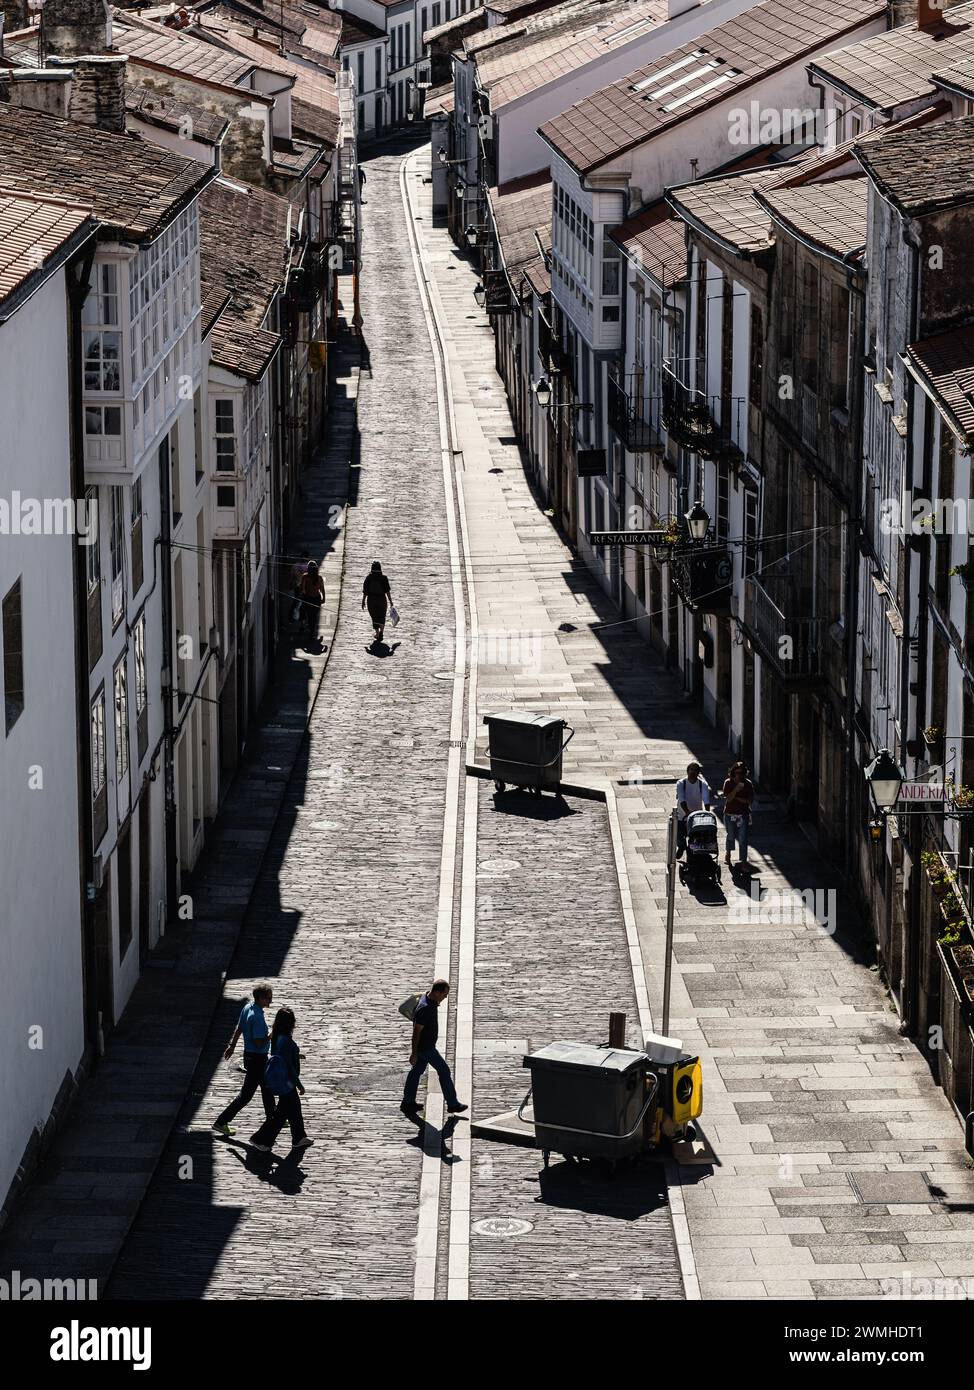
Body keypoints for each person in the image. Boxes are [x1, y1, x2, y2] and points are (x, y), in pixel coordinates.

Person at [212, 985, 275, 1137]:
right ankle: (221, 1122)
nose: (270, 1000)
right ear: (260, 998)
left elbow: (239, 1028)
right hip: (257, 1058)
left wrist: (232, 1046)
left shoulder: (248, 1007)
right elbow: (259, 1041)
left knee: (267, 1088)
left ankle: (274, 1117)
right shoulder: (257, 1017)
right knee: (246, 1095)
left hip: (250, 1056)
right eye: (268, 997)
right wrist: (273, 1034)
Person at [249, 1008, 313, 1153]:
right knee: (280, 1115)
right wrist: (299, 1084)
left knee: (294, 1110)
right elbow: (288, 1067)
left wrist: (297, 1055)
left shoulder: (278, 1036)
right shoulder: (284, 1040)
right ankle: (260, 1139)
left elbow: (282, 1056)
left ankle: (299, 1137)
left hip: (285, 1082)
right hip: (286, 1082)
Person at [401, 980, 467, 1117]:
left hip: (424, 1047)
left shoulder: (428, 1000)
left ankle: (408, 1102)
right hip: (426, 1048)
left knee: (416, 1072)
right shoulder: (425, 1008)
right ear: (437, 992)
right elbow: (416, 1031)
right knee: (443, 1070)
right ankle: (452, 1103)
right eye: (444, 994)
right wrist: (414, 1053)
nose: (445, 997)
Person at [675, 762, 711, 859]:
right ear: (687, 771)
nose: (693, 772)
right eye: (691, 769)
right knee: (679, 836)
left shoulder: (702, 784)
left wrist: (707, 814)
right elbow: (682, 799)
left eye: (695, 770)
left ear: (698, 773)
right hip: (682, 815)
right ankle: (682, 847)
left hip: (696, 817)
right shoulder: (681, 783)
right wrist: (687, 813)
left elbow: (706, 800)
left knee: (695, 839)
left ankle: (692, 855)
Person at [722, 760, 755, 865]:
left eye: (742, 773)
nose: (739, 775)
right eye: (737, 773)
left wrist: (736, 797)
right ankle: (728, 854)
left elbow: (749, 801)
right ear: (733, 772)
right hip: (730, 814)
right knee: (731, 836)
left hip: (743, 815)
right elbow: (728, 798)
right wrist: (736, 790)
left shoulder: (748, 784)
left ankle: (743, 862)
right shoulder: (728, 782)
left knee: (743, 839)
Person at [362, 561, 394, 644]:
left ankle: (377, 633)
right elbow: (387, 591)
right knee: (382, 616)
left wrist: (363, 601)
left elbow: (365, 591)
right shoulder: (384, 578)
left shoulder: (369, 578)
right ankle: (381, 632)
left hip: (371, 599)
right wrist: (390, 601)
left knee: (374, 616)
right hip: (381, 599)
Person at [298, 560, 325, 644]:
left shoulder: (305, 577)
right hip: (317, 599)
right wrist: (324, 598)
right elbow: (322, 589)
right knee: (313, 616)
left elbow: (302, 589)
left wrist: (302, 595)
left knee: (305, 613)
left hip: (308, 598)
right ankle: (312, 632)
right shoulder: (319, 578)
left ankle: (305, 626)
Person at [289, 552, 310, 623]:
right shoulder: (309, 566)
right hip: (304, 588)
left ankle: (293, 617)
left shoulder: (295, 566)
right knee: (303, 603)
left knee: (297, 601)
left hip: (298, 586)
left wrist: (291, 584)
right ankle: (302, 619)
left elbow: (291, 577)